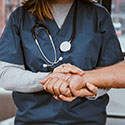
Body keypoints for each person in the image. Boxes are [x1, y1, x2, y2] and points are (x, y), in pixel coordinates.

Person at [0, 0, 123, 124]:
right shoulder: (21, 16)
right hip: (34, 120)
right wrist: (48, 79)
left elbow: (113, 74)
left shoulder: (98, 15)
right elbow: (5, 75)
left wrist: (83, 86)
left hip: (86, 120)